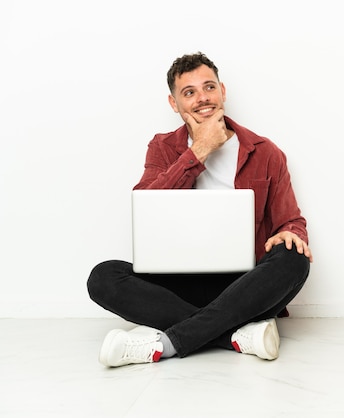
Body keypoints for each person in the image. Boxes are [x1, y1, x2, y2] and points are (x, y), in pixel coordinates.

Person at [87, 52, 312, 367]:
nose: (202, 98)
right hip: (178, 285)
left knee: (294, 258)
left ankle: (165, 343)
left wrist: (290, 233)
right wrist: (200, 150)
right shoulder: (163, 147)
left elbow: (291, 221)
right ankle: (235, 335)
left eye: (209, 87)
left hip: (244, 286)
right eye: (189, 92)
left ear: (223, 90)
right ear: (173, 104)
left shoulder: (266, 152)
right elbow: (147, 204)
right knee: (103, 277)